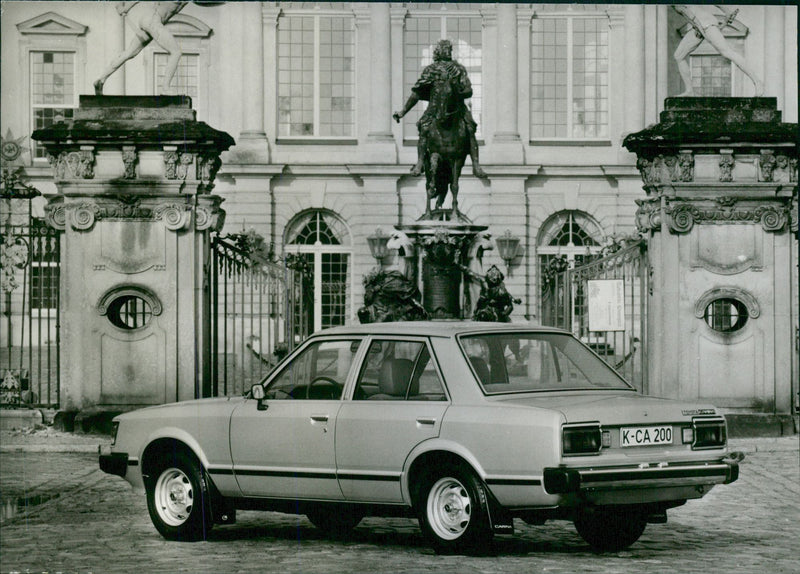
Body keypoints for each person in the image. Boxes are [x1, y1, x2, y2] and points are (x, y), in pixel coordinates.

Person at [393, 39, 487, 178]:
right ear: (438, 52)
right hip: (434, 108)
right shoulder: (431, 69)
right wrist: (402, 112)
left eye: (449, 49)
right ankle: (419, 163)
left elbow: (468, 90)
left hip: (457, 107)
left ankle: (476, 165)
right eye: (444, 49)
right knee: (424, 127)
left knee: (470, 128)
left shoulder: (459, 69)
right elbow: (416, 94)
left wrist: (459, 92)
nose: (447, 51)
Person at [94, 2, 189, 95]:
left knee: (129, 53)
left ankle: (101, 79)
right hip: (152, 21)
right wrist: (126, 6)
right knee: (176, 52)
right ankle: (165, 89)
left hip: (150, 21)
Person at [673, 5, 763, 97]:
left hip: (705, 24)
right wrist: (727, 12)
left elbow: (693, 17)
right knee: (679, 56)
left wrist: (704, 32)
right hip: (698, 26)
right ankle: (689, 91)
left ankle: (757, 81)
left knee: (727, 52)